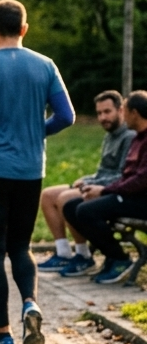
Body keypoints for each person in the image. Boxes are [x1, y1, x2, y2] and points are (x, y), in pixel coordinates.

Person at [0, 0, 75, 344]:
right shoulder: (46, 65)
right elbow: (66, 116)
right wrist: (37, 130)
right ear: (24, 28)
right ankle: (30, 303)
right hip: (29, 169)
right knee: (21, 247)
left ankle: (4, 335)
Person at [37, 90, 132, 276]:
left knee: (65, 198)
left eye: (107, 112)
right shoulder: (110, 135)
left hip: (111, 190)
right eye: (99, 113)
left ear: (120, 110)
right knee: (47, 195)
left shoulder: (128, 137)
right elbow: (103, 171)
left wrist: (91, 184)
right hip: (99, 183)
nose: (102, 117)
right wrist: (87, 180)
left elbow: (121, 175)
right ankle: (63, 253)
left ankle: (83, 255)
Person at [63, 90, 147, 284]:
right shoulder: (137, 138)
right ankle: (111, 255)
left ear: (134, 113)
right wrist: (97, 188)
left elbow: (141, 180)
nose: (123, 116)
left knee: (85, 211)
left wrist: (104, 191)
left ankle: (120, 259)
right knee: (71, 206)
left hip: (141, 201)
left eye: (125, 111)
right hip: (129, 196)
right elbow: (126, 176)